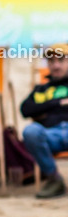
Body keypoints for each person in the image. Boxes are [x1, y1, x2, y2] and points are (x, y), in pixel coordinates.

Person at [19, 46, 68, 199]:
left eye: (61, 60)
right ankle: (54, 179)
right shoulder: (41, 89)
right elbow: (25, 109)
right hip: (49, 134)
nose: (56, 65)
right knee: (30, 131)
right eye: (51, 61)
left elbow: (34, 109)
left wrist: (44, 109)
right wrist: (58, 103)